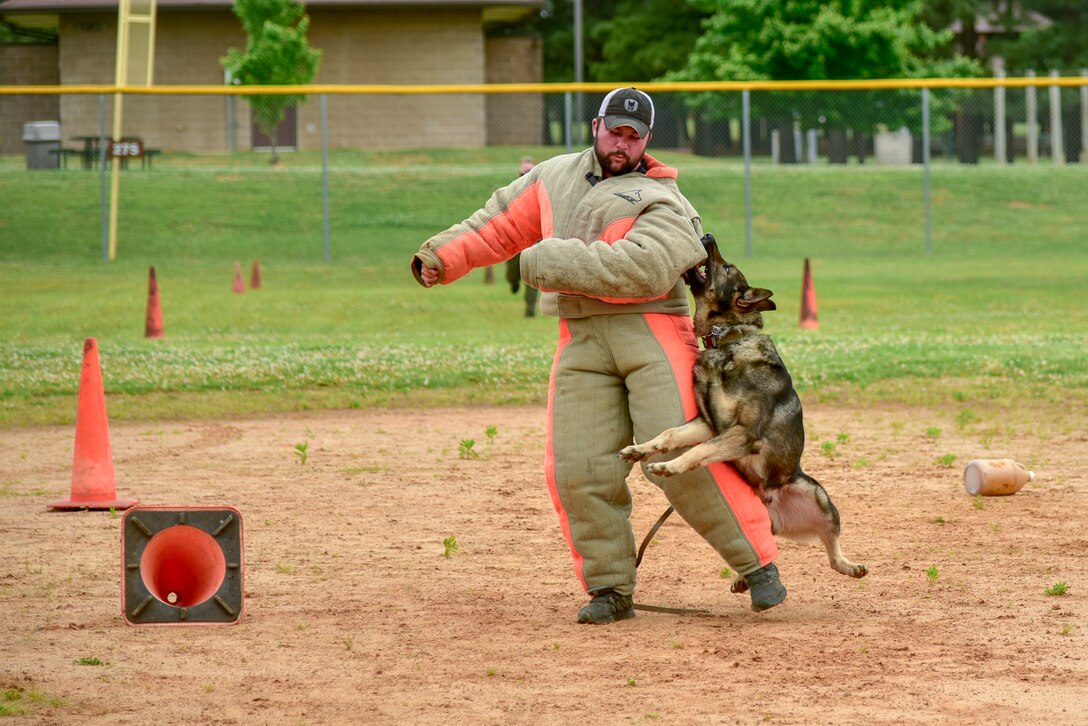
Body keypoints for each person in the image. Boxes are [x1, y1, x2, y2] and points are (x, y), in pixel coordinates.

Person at [411, 87, 785, 623]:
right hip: (581, 336)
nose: (622, 143)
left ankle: (758, 566)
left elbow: (645, 269)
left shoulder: (666, 199)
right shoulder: (550, 178)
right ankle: (609, 588)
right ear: (596, 125)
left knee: (675, 459)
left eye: (634, 136)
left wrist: (544, 258)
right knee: (577, 468)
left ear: (646, 141)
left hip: (654, 329)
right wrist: (441, 256)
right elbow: (492, 225)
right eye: (615, 130)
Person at [505, 156, 539, 317]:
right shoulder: (511, 192)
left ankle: (530, 309)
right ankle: (513, 282)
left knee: (532, 274)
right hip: (516, 239)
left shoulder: (541, 193)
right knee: (512, 270)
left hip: (535, 240)